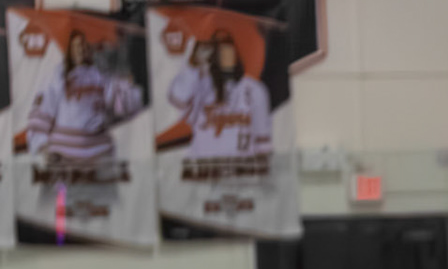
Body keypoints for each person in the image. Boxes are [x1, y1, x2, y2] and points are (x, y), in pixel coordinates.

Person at [26, 29, 143, 164]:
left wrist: (125, 83)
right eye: (77, 46)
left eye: (85, 45)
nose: (81, 50)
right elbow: (41, 113)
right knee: (61, 181)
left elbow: (124, 106)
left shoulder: (101, 76)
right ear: (69, 49)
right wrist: (42, 147)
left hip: (100, 156)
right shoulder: (57, 76)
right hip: (63, 158)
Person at [167, 27, 272, 160]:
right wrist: (194, 65)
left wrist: (263, 166)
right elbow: (178, 98)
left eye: (229, 51)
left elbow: (262, 137)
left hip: (241, 166)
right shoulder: (200, 86)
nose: (225, 56)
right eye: (219, 52)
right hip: (204, 166)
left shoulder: (254, 89)